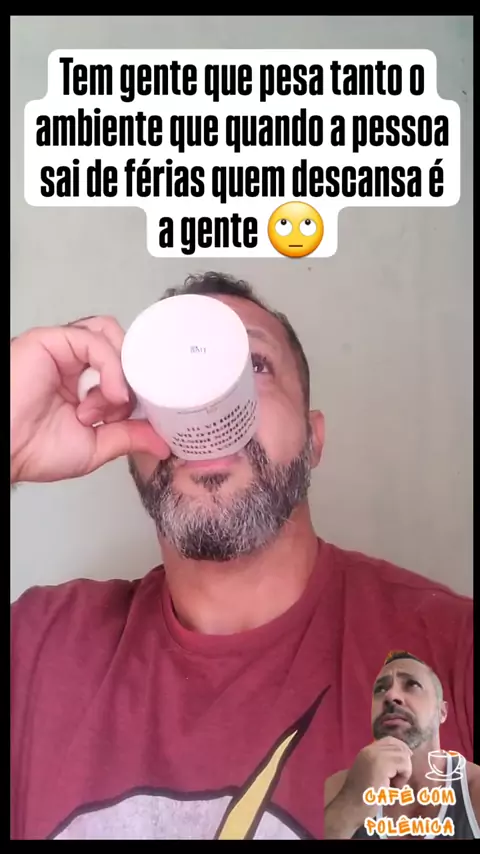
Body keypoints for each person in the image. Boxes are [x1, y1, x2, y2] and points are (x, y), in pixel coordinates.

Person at [10, 272, 473, 841]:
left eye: (253, 364)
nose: (207, 402)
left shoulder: (447, 656)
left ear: (314, 439)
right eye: (175, 372)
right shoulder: (38, 649)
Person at [324, 651, 479, 840]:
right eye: (381, 689)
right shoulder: (338, 789)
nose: (390, 695)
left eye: (412, 685)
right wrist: (351, 805)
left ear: (442, 711)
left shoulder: (474, 790)